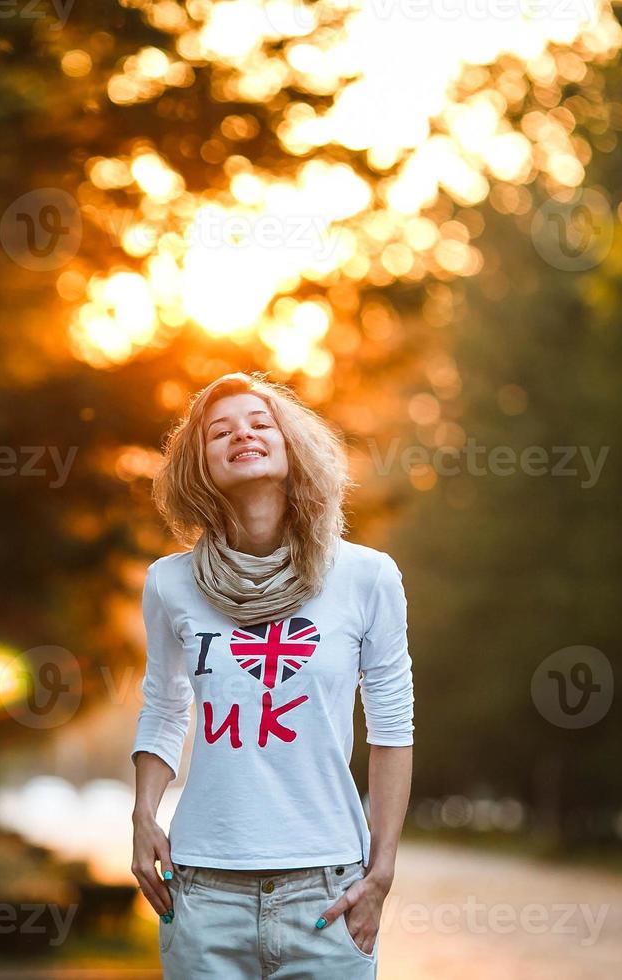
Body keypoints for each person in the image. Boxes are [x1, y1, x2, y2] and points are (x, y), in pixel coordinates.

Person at [130, 372, 414, 978]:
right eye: (219, 431)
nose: (242, 435)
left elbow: (392, 725)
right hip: (203, 891)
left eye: (260, 424)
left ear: (291, 448)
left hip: (328, 891)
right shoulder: (170, 583)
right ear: (199, 467)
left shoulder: (366, 577)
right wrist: (142, 816)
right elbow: (163, 705)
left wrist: (382, 868)